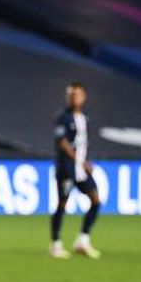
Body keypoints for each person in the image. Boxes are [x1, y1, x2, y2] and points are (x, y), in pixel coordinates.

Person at [51, 82, 101, 259]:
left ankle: (83, 240)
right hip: (67, 169)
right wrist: (80, 161)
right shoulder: (63, 117)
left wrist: (85, 161)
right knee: (62, 205)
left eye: (77, 95)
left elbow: (83, 145)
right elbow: (62, 142)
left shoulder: (84, 119)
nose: (74, 98)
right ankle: (55, 244)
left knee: (96, 201)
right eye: (71, 95)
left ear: (84, 97)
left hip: (81, 170)